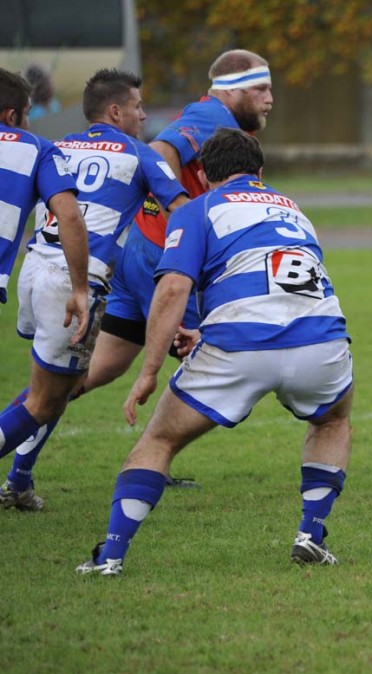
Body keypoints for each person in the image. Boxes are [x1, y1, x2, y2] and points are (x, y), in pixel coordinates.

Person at [76, 129, 354, 576]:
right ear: (261, 174)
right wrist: (204, 332)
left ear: (202, 176)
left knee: (160, 440)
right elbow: (277, 286)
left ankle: (110, 556)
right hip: (320, 339)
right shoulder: (295, 210)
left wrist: (148, 372)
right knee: (334, 419)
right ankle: (311, 535)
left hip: (240, 346)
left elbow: (172, 289)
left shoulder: (197, 208)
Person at [2, 49, 274, 492]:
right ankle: (151, 461)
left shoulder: (62, 144)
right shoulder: (210, 115)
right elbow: (162, 151)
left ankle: (20, 476)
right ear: (232, 91)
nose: (269, 99)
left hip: (89, 265)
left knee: (80, 376)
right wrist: (184, 222)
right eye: (261, 89)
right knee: (206, 352)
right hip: (155, 259)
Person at [0, 69, 189, 511]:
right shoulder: (141, 155)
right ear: (116, 111)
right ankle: (16, 480)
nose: (144, 116)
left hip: (33, 271)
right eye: (139, 107)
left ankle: (20, 481)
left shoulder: (56, 146)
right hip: (74, 282)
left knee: (55, 388)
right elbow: (184, 211)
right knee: (46, 399)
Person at [0, 68, 90, 490]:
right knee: (45, 399)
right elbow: (69, 215)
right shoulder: (38, 149)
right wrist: (79, 288)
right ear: (13, 116)